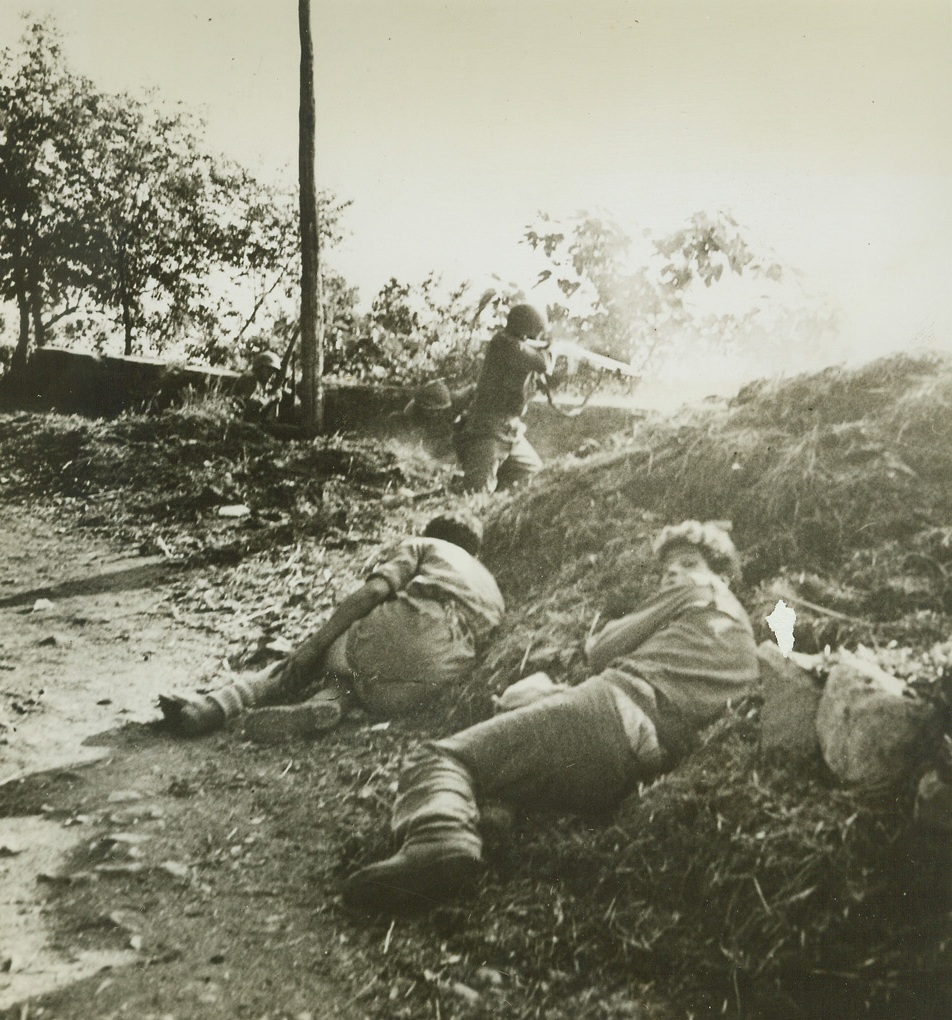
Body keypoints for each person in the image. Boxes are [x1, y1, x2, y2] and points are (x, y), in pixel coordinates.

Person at [343, 520, 759, 912]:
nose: (673, 575)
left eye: (688, 564)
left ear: (721, 574)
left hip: (609, 712)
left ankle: (436, 839)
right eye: (666, 570)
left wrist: (602, 634)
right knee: (519, 753)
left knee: (441, 758)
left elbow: (601, 652)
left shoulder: (702, 590)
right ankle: (488, 821)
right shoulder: (747, 654)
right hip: (637, 763)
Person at [158, 510, 505, 740]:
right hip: (427, 681)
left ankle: (218, 704)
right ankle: (328, 706)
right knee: (357, 680)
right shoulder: (490, 584)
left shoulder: (427, 545)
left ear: (433, 533)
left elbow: (372, 593)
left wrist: (313, 645)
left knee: (321, 656)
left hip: (412, 627)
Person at [456, 303, 553, 493]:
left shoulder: (516, 347)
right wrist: (553, 349)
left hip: (510, 431)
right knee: (476, 496)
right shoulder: (503, 343)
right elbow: (543, 363)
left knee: (536, 478)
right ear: (526, 330)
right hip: (487, 432)